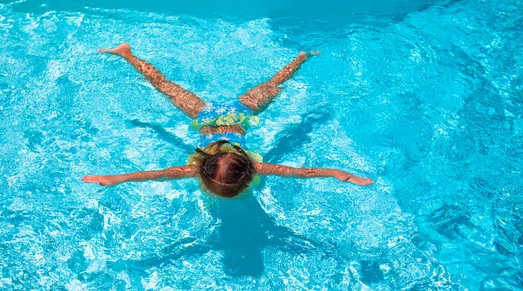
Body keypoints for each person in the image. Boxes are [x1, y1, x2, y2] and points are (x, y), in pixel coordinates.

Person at [82, 43, 374, 198]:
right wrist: (339, 174)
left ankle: (127, 54)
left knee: (164, 85)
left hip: (236, 115)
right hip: (207, 116)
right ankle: (300, 59)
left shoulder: (243, 167)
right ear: (247, 176)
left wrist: (338, 173)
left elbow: (303, 172)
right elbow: (156, 174)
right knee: (272, 84)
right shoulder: (195, 169)